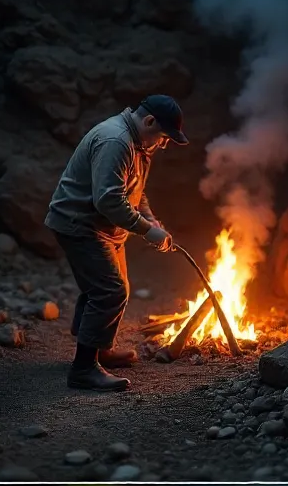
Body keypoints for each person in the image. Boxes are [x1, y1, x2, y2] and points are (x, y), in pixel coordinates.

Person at [45, 95, 189, 392]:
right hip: (79, 224)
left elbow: (136, 193)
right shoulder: (116, 141)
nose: (163, 144)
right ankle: (83, 370)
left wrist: (152, 221)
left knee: (106, 286)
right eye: (163, 137)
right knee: (110, 290)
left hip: (103, 229)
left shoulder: (139, 145)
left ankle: (98, 348)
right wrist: (146, 230)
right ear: (149, 121)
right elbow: (108, 199)